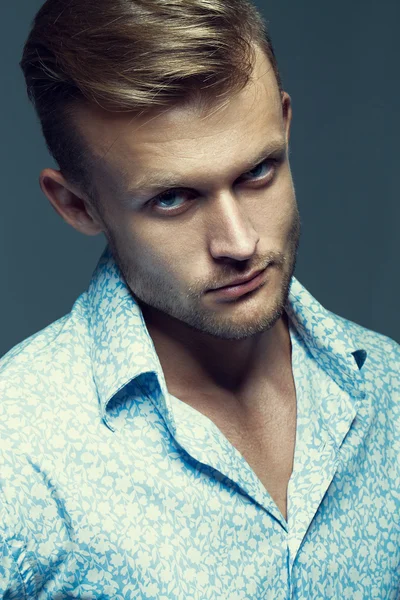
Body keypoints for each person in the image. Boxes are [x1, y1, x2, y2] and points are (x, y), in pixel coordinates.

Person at [0, 0, 399, 597]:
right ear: (77, 205)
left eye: (259, 171)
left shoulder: (388, 389)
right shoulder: (18, 450)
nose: (240, 243)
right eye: (172, 200)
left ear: (286, 128)